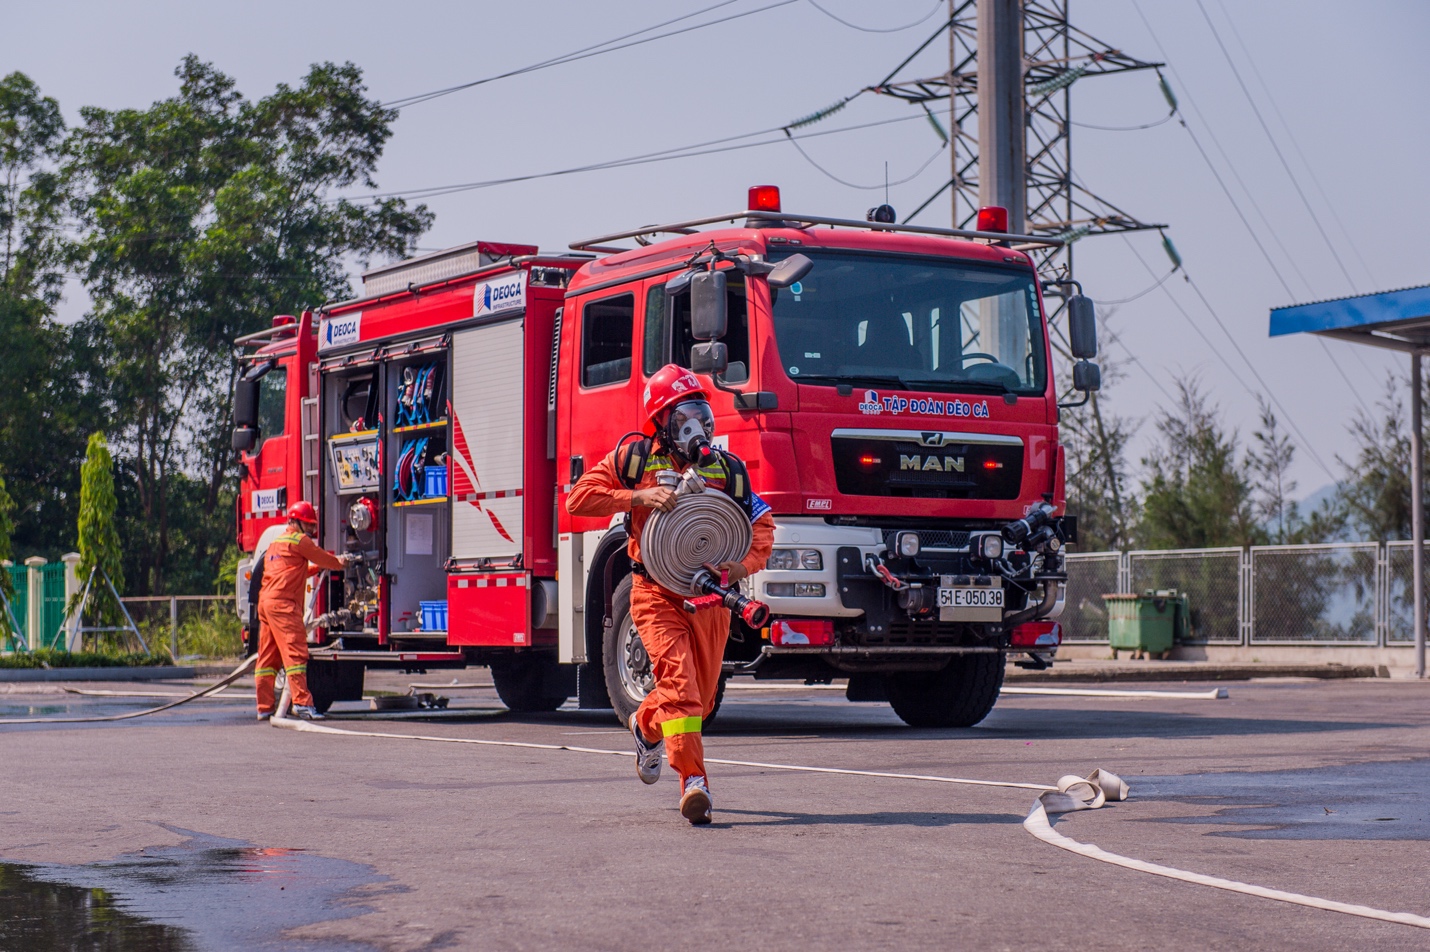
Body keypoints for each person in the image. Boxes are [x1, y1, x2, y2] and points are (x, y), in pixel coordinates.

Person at [567, 365, 774, 824]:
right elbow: (578, 499)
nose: (695, 427)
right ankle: (694, 781)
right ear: (662, 422)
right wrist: (638, 499)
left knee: (703, 699)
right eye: (683, 417)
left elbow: (761, 525)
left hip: (711, 598)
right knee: (681, 689)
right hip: (655, 592)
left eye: (701, 414)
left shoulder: (727, 469)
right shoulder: (635, 458)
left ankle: (645, 725)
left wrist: (740, 567)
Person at [255, 501, 352, 721]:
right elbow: (322, 557)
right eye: (308, 525)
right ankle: (301, 704)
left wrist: (319, 567)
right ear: (297, 521)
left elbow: (292, 571)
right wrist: (340, 562)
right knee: (295, 654)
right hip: (283, 604)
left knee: (267, 657)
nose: (310, 530)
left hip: (266, 602)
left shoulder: (276, 543)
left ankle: (264, 707)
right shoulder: (300, 541)